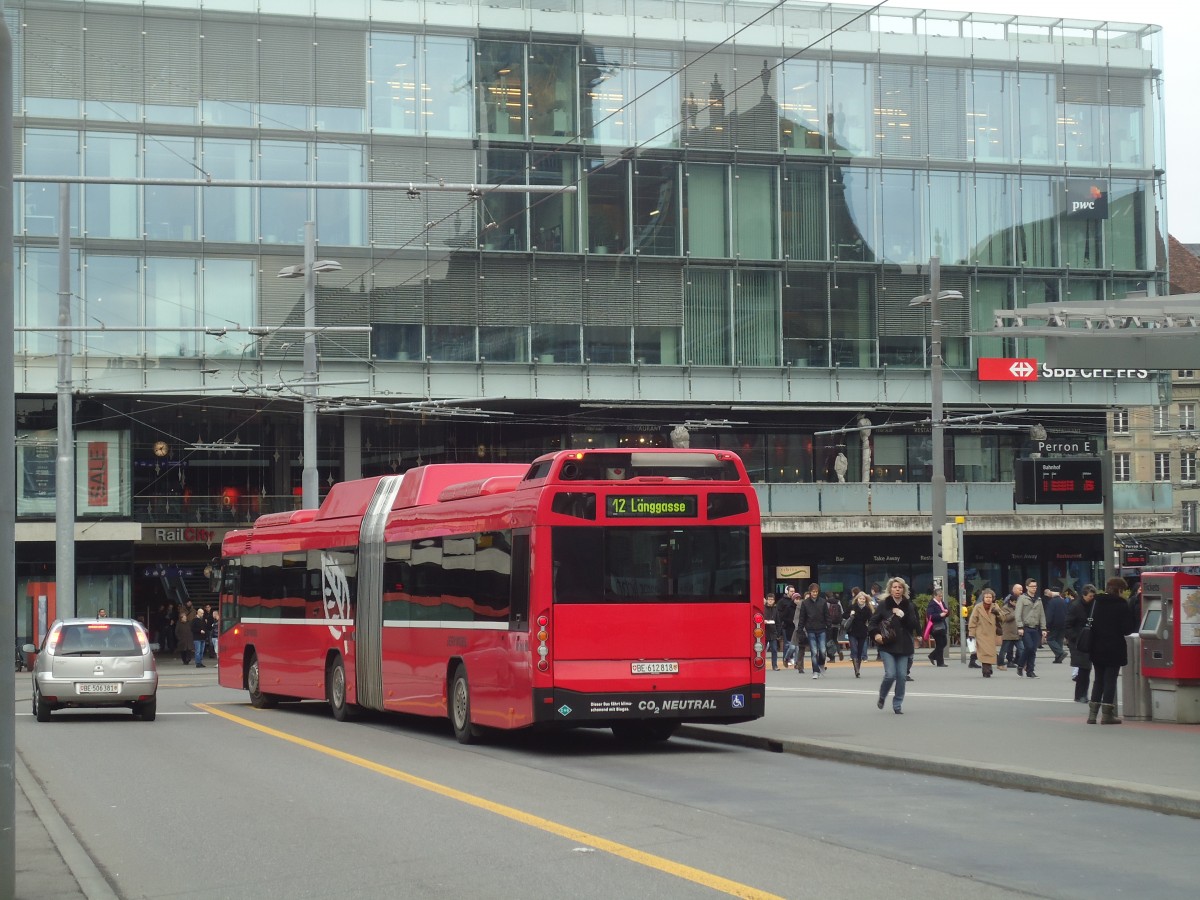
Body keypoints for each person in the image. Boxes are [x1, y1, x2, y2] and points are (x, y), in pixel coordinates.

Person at [1087, 577, 1139, 724]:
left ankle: (1092, 715)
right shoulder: (1121, 605)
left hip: (1096, 646)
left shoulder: (1096, 602)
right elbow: (1127, 629)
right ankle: (1107, 715)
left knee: (1098, 680)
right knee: (1110, 680)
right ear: (1119, 590)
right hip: (1114, 647)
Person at [869, 576, 918, 713]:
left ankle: (897, 704)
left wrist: (902, 614)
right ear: (890, 589)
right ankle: (882, 696)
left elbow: (913, 624)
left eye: (900, 587)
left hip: (904, 646)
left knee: (902, 676)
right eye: (895, 587)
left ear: (904, 590)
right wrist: (876, 634)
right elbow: (873, 622)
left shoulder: (908, 605)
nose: (897, 589)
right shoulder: (884, 604)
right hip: (887, 645)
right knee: (890, 675)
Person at [1065, 584, 1097, 703]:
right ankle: (1081, 694)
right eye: (1090, 596)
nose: (1092, 598)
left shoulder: (1093, 605)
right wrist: (1075, 637)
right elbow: (1068, 625)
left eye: (1093, 596)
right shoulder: (1075, 606)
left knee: (1085, 669)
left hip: (1089, 640)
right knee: (1084, 667)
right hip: (1079, 641)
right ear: (1083, 595)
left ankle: (1080, 694)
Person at [1014, 578, 1048, 678]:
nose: (1034, 588)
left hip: (1036, 628)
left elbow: (1042, 615)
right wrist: (1020, 626)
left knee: (1033, 650)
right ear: (1027, 587)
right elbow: (1018, 613)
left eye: (1035, 586)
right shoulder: (1022, 598)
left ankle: (1030, 671)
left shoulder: (1038, 599)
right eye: (1032, 586)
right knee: (1028, 647)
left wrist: (1044, 629)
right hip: (1025, 627)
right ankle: (1020, 665)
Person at [796, 582, 830, 679]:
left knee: (823, 650)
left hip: (822, 629)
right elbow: (802, 618)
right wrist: (800, 630)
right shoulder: (805, 603)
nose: (815, 593)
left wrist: (829, 627)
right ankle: (815, 671)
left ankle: (821, 663)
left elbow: (827, 616)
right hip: (810, 630)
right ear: (810, 592)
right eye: (813, 592)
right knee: (814, 652)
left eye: (816, 591)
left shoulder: (823, 602)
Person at [967, 588, 1001, 677]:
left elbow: (1003, 618)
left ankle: (988, 667)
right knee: (984, 652)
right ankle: (986, 670)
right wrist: (971, 633)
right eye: (986, 597)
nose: (988, 599)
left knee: (990, 652)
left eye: (990, 597)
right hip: (981, 633)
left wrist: (997, 613)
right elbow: (973, 620)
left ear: (993, 598)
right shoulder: (978, 607)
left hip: (991, 633)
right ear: (983, 597)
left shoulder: (995, 606)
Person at [844, 591, 873, 678]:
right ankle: (856, 670)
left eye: (863, 599)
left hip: (862, 631)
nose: (862, 600)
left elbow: (871, 619)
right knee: (854, 650)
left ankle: (858, 669)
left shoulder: (867, 609)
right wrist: (850, 615)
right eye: (860, 598)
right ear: (857, 599)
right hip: (852, 631)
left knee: (860, 651)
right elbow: (844, 615)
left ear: (865, 600)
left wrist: (869, 626)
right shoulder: (853, 607)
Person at [924, 587, 950, 667]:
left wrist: (947, 612)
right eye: (939, 596)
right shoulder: (932, 604)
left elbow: (946, 610)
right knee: (940, 643)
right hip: (935, 627)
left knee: (944, 642)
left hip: (942, 625)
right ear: (934, 596)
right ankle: (940, 662)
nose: (940, 598)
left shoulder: (941, 603)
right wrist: (940, 615)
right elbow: (930, 616)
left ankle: (932, 656)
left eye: (941, 596)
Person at [1043, 586, 1069, 663]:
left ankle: (1060, 653)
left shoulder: (1051, 602)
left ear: (1052, 592)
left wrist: (1047, 626)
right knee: (1059, 640)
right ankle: (1058, 658)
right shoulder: (1063, 601)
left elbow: (1049, 615)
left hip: (1054, 624)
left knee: (1050, 640)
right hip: (1063, 624)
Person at [778, 587, 798, 669]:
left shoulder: (799, 605)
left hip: (797, 628)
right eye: (791, 591)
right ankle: (786, 659)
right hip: (787, 627)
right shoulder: (783, 602)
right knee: (789, 645)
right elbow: (781, 615)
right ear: (787, 592)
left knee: (797, 646)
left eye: (794, 591)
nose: (793, 592)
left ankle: (797, 662)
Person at [825, 593, 846, 662]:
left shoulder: (827, 603)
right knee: (835, 639)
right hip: (837, 625)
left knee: (828, 641)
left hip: (829, 625)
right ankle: (839, 651)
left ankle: (832, 657)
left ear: (826, 597)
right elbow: (842, 612)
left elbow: (825, 613)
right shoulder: (838, 602)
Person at [764, 593, 780, 670]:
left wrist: (778, 633)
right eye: (769, 599)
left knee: (774, 649)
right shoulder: (763, 608)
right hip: (764, 632)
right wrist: (764, 621)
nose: (770, 601)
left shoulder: (775, 609)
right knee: (762, 650)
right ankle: (761, 665)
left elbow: (778, 622)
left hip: (773, 632)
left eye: (772, 599)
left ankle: (775, 665)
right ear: (766, 600)